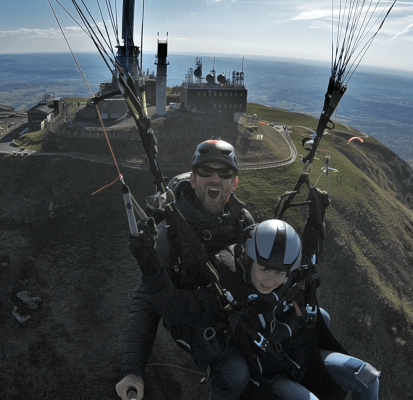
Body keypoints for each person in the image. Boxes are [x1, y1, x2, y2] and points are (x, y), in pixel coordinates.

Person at [129, 218, 380, 400]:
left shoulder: (291, 284)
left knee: (367, 376)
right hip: (271, 375)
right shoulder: (226, 290)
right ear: (248, 261)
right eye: (264, 269)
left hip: (304, 358)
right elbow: (176, 308)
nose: (270, 280)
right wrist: (150, 266)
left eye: (279, 272)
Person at [116, 139, 255, 400]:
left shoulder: (242, 221)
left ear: (234, 182)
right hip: (188, 318)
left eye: (224, 172)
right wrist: (132, 370)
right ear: (193, 179)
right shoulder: (170, 232)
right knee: (234, 373)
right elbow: (148, 298)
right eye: (205, 172)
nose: (214, 178)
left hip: (229, 309)